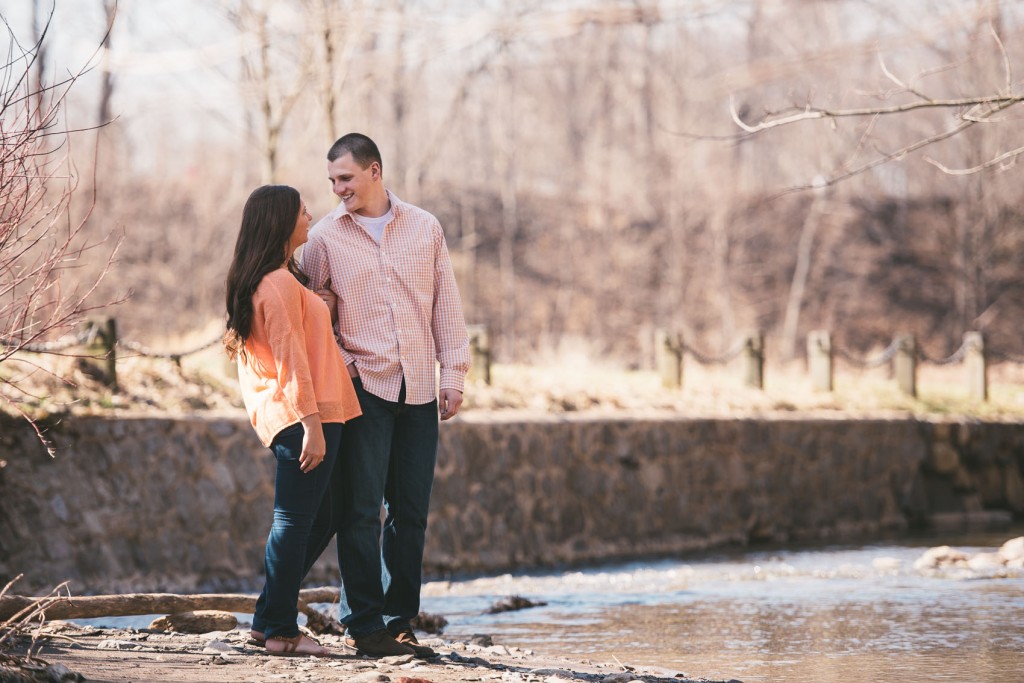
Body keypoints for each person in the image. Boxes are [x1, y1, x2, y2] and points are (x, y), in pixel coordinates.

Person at [301, 133, 470, 658]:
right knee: (360, 510)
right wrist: (347, 366)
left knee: (410, 512)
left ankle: (399, 620)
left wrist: (453, 374)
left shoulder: (425, 227)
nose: (338, 190)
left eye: (346, 179)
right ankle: (364, 623)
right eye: (332, 181)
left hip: (419, 386)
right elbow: (309, 314)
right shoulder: (325, 238)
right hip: (363, 390)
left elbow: (446, 302)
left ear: (375, 171)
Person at [224, 185, 361, 658]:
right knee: (294, 521)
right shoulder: (278, 285)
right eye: (303, 211)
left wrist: (320, 303)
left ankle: (268, 618)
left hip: (307, 413)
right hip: (306, 416)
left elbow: (298, 337)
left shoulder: (277, 280)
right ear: (281, 222)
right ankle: (281, 630)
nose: (310, 216)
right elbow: (291, 359)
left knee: (325, 514)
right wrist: (312, 423)